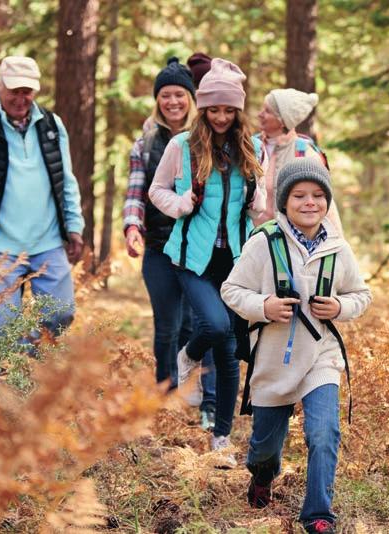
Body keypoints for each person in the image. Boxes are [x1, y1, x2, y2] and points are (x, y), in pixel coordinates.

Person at [220, 159, 372, 534]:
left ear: (327, 201)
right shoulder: (263, 243)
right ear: (284, 201)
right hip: (274, 359)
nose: (310, 203)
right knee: (265, 449)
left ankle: (318, 515)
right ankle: (261, 475)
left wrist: (340, 307)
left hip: (321, 355)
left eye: (318, 196)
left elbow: (361, 294)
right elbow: (231, 290)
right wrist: (264, 306)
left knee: (324, 432)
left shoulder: (338, 248)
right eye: (300, 195)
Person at [149, 58, 265, 455]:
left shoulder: (252, 146)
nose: (219, 117)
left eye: (227, 110)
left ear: (238, 110)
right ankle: (187, 355)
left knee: (230, 349)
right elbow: (156, 191)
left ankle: (222, 436)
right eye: (213, 109)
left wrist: (259, 201)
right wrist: (180, 203)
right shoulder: (182, 146)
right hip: (191, 257)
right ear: (203, 109)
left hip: (236, 259)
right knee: (213, 326)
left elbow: (258, 202)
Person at [0, 56, 84, 348]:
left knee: (61, 314)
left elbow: (66, 179)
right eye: (14, 90)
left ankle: (29, 366)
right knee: (5, 333)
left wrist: (75, 226)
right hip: (0, 247)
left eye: (26, 91)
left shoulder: (52, 125)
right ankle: (9, 387)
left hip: (48, 242)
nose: (20, 98)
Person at [122, 57, 218, 430]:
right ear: (157, 99)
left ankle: (199, 396)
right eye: (165, 95)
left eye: (179, 94)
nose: (172, 101)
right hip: (160, 246)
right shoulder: (145, 142)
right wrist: (133, 226)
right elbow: (135, 193)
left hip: (199, 246)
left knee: (198, 325)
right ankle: (165, 397)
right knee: (167, 326)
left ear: (191, 98)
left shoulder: (206, 136)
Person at [253, 88, 342, 233]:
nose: (260, 114)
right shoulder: (250, 147)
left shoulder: (305, 154)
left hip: (288, 245)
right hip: (250, 242)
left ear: (283, 121)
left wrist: (338, 247)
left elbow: (325, 205)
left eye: (267, 111)